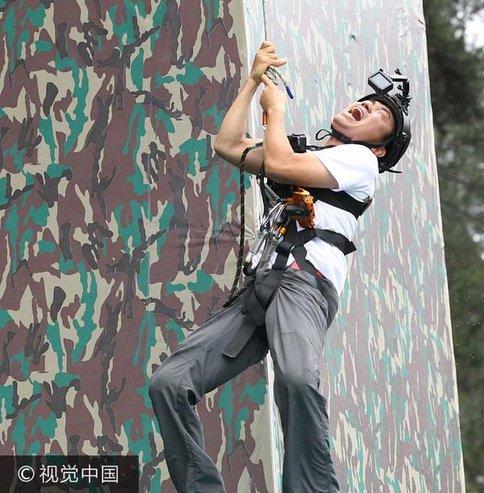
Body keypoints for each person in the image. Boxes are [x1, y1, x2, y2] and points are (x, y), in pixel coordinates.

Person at [148, 41, 411, 492]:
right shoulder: (314, 154)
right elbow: (228, 145)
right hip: (263, 286)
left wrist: (274, 112)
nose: (363, 107)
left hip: (305, 284)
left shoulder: (361, 162)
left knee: (295, 377)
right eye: (363, 101)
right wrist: (253, 82)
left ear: (382, 150)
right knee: (169, 383)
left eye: (377, 114)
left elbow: (281, 163)